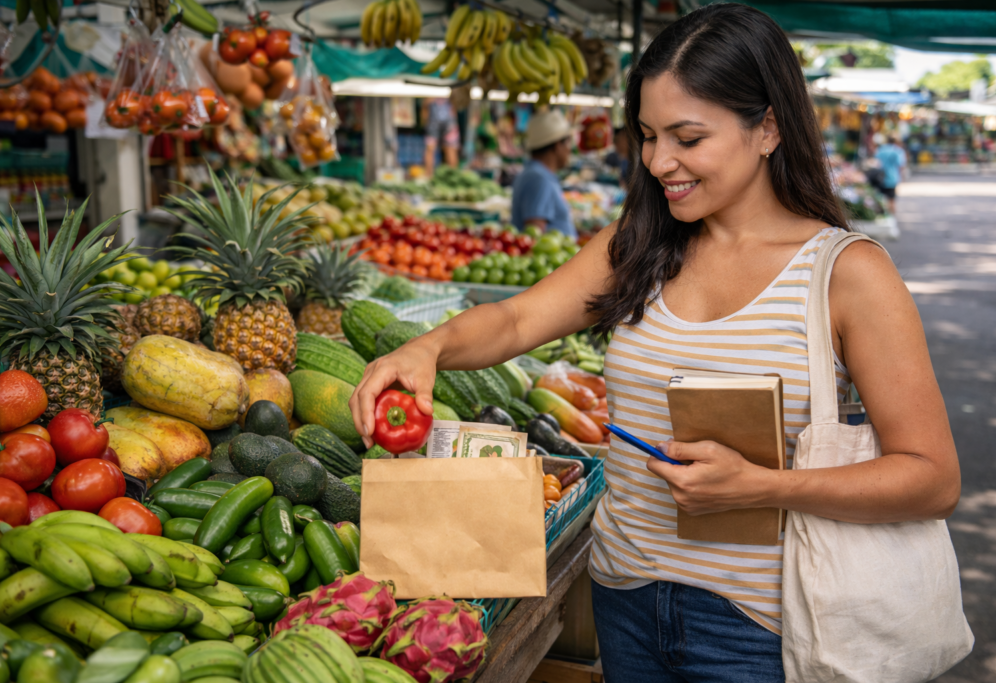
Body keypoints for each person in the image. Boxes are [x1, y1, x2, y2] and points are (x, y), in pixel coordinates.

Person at [350, 4, 961, 680]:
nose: (658, 160)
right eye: (645, 134)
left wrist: (764, 485)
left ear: (769, 128)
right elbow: (517, 321)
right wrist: (427, 348)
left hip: (762, 628)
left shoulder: (846, 273)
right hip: (625, 594)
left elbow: (931, 477)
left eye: (687, 137)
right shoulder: (640, 245)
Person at [510, 109, 577, 238]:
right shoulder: (539, 180)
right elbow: (534, 234)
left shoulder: (537, 174)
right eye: (568, 142)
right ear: (558, 145)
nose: (570, 150)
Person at [874, 132, 907, 214]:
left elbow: (876, 162)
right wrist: (902, 177)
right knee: (891, 200)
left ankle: (883, 216)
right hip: (892, 178)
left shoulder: (881, 149)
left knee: (880, 199)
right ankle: (892, 217)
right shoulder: (898, 151)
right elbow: (901, 165)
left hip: (880, 177)